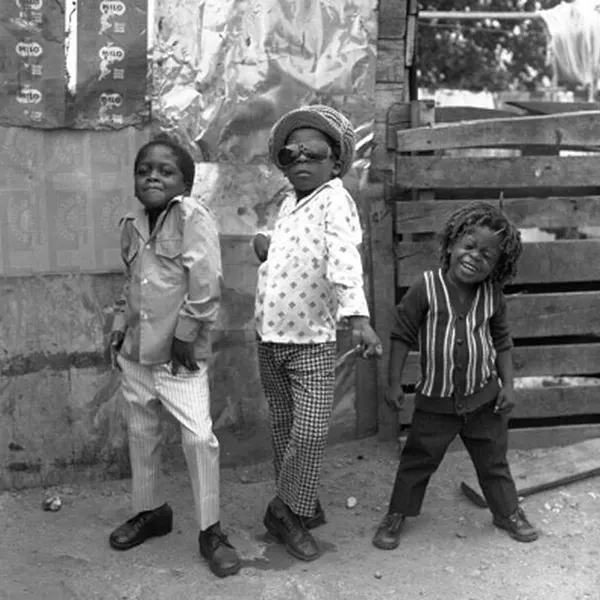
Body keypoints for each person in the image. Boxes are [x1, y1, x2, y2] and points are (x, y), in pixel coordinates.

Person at [105, 135, 241, 578]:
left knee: (198, 438)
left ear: (185, 181)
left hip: (178, 356)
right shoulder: (131, 222)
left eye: (165, 171)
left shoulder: (192, 217)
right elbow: (131, 284)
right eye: (145, 170)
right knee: (141, 431)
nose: (153, 177)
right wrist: (118, 328)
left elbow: (206, 282)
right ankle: (151, 512)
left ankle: (211, 530)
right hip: (137, 354)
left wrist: (185, 334)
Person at [253, 105, 382, 562]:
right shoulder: (289, 204)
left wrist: (358, 318)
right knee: (285, 427)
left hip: (310, 340)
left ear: (336, 162)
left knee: (308, 432)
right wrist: (263, 244)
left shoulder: (335, 199)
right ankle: (299, 507)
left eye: (315, 152)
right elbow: (286, 254)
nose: (302, 160)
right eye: (291, 154)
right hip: (270, 339)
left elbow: (343, 257)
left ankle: (283, 511)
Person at [372, 202, 539, 551]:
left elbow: (502, 340)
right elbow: (401, 334)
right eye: (469, 246)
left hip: (484, 399)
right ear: (450, 245)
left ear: (498, 265)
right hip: (436, 401)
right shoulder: (426, 288)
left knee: (493, 462)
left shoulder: (492, 294)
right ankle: (397, 513)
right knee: (418, 460)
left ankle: (507, 512)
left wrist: (507, 385)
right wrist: (393, 383)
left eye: (487, 255)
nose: (475, 257)